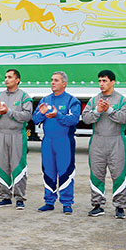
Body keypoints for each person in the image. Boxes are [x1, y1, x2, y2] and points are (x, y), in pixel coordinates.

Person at [81, 70, 126, 218]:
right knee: (96, 173)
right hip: (97, 140)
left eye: (104, 81)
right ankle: (97, 205)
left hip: (116, 140)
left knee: (119, 174)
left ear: (112, 82)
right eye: (100, 81)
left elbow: (125, 118)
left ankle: (120, 207)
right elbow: (85, 118)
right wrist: (97, 111)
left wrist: (109, 110)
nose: (101, 84)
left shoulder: (123, 100)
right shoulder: (93, 100)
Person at [34, 71, 81, 214]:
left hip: (64, 141)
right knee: (48, 171)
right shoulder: (45, 100)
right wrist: (41, 113)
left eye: (56, 80)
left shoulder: (72, 101)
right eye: (51, 80)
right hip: (48, 141)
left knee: (65, 170)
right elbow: (35, 119)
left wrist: (57, 115)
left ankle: (67, 203)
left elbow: (73, 120)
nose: (52, 82)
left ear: (64, 84)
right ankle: (49, 201)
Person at [0, 69, 32, 209]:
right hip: (1, 134)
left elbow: (27, 116)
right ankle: (5, 197)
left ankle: (20, 198)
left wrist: (8, 111)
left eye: (10, 77)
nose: (6, 79)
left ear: (17, 80)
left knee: (17, 166)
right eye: (5, 77)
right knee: (2, 165)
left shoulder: (24, 97)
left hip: (17, 135)